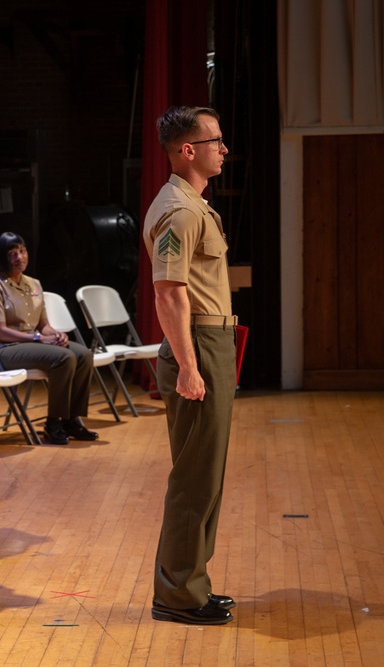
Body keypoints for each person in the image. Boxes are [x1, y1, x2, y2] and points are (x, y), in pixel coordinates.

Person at [142, 105, 238, 625]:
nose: (223, 148)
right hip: (195, 345)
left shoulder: (195, 206)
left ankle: (192, 584)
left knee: (207, 476)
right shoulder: (178, 210)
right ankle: (176, 594)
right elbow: (169, 293)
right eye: (215, 140)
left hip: (210, 342)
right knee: (193, 479)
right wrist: (188, 366)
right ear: (187, 150)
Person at [0, 232, 98, 445]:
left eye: (22, 251)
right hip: (5, 349)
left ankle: (71, 420)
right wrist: (38, 338)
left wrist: (55, 334)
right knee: (64, 358)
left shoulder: (34, 284)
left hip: (33, 342)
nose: (19, 257)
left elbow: (44, 325)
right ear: (2, 257)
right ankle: (53, 424)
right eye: (12, 254)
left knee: (84, 355)